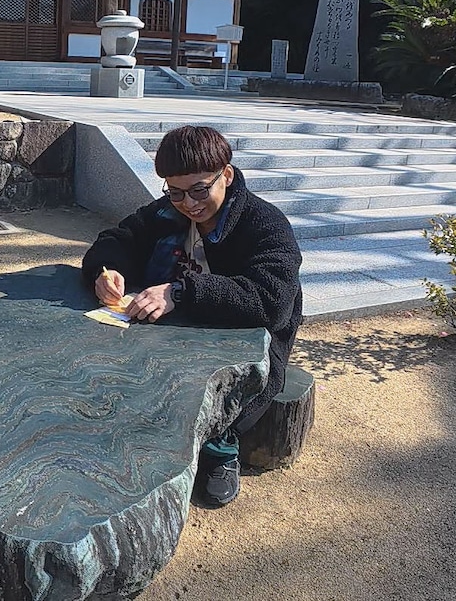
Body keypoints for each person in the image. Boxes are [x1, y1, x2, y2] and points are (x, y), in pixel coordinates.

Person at [81, 124, 302, 508]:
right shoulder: (166, 212)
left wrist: (181, 292)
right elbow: (117, 238)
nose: (189, 203)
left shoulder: (264, 223)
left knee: (216, 394)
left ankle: (220, 448)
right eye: (176, 191)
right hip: (173, 326)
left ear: (227, 175)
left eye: (200, 189)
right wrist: (107, 269)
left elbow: (272, 300)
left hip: (241, 336)